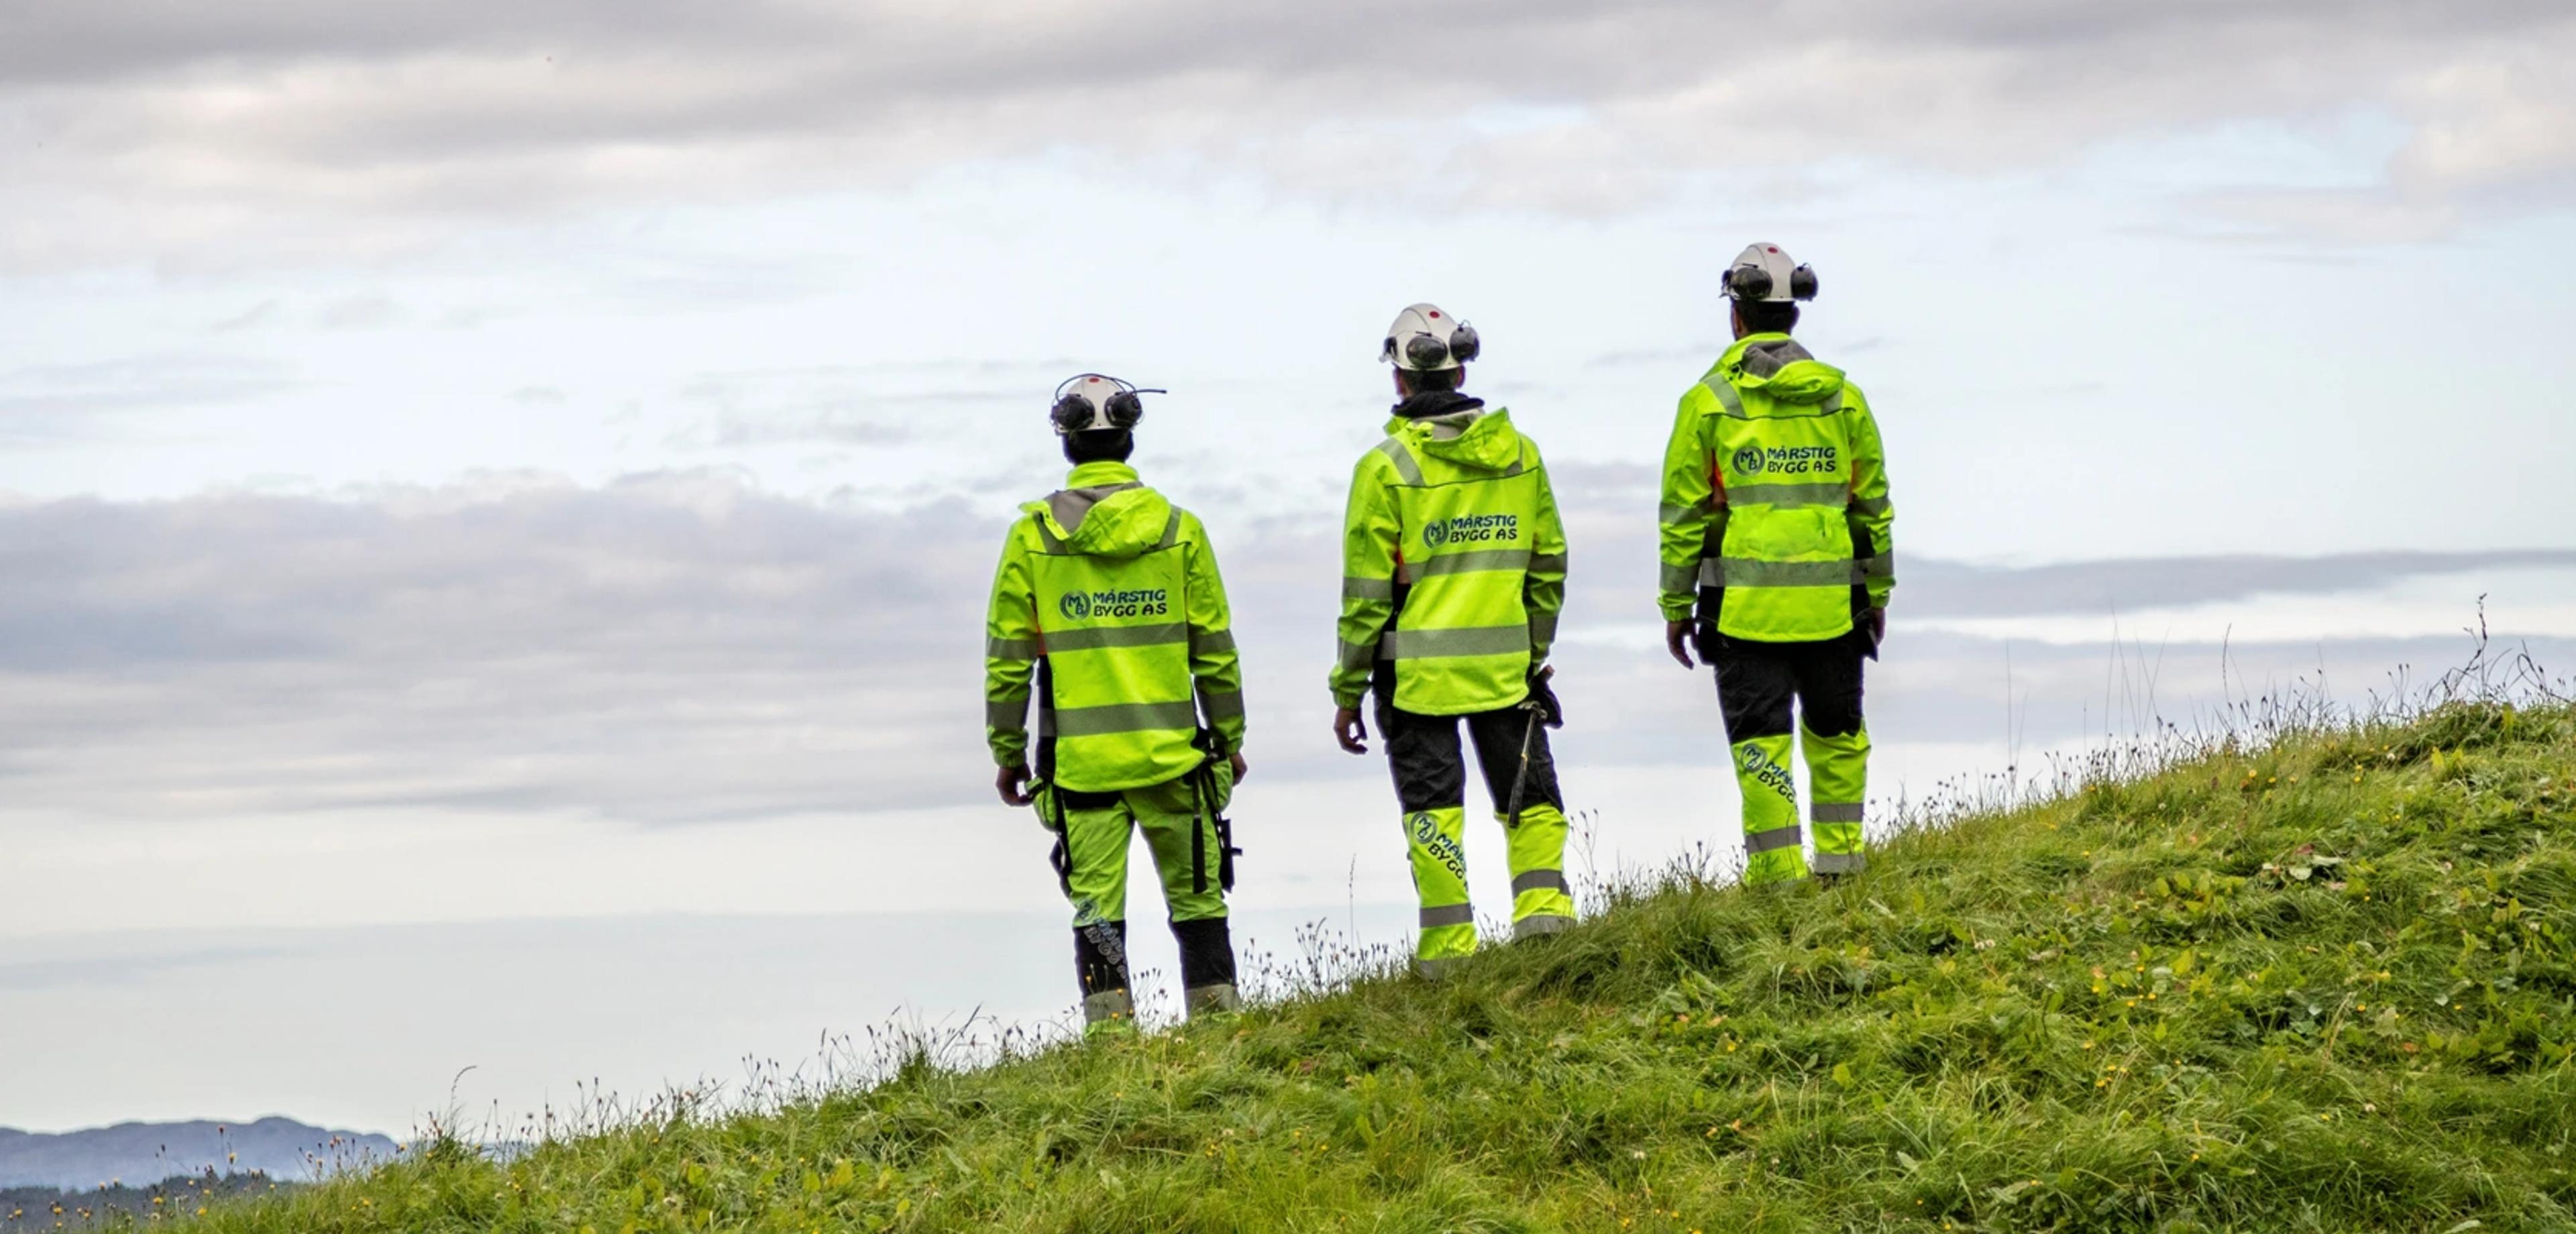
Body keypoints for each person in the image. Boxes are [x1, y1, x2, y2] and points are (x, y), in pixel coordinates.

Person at [984, 374, 1248, 1032]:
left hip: (1082, 772)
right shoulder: (1180, 532)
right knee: (1198, 905)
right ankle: (1222, 1041)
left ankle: (1112, 1052)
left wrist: (1008, 754)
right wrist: (1228, 737)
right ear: (1129, 439)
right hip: (1176, 764)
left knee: (1097, 915)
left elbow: (1007, 662)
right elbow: (1213, 650)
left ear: (1067, 442)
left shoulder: (1033, 538)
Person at [1330, 304, 1573, 978]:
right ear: (1462, 367)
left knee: (1433, 812)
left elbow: (1365, 598)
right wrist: (1532, 651)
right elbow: (1548, 562)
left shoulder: (1383, 470)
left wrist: (1347, 690)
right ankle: (1546, 924)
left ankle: (1449, 957)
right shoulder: (1520, 456)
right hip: (1504, 670)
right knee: (1530, 797)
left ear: (1401, 381)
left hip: (1415, 680)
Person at [1656, 243, 1895, 884]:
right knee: (1838, 737)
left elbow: (1683, 518)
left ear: (1737, 316)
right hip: (1834, 606)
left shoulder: (1706, 404)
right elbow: (1872, 509)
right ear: (1794, 317)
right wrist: (1877, 596)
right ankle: (1843, 867)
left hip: (1744, 609)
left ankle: (1779, 880)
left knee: (1760, 748)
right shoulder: (1844, 400)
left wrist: (1677, 607)